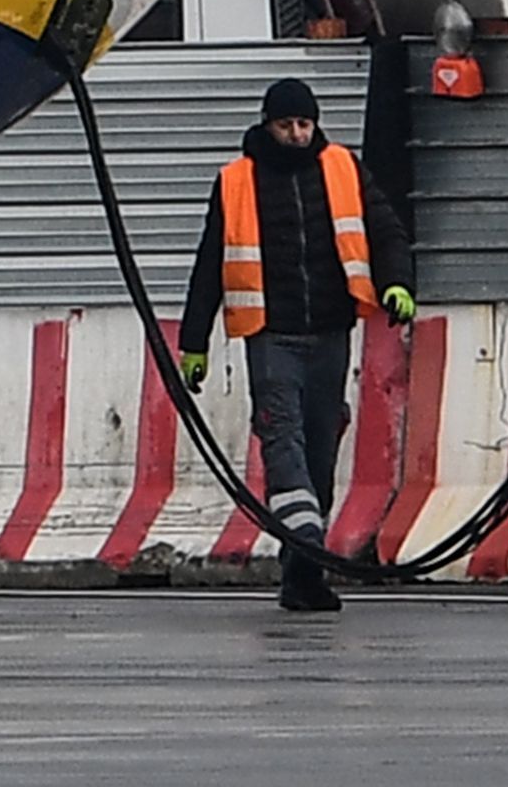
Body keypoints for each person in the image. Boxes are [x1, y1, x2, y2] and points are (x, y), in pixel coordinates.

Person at [177, 78, 415, 613]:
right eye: (286, 125)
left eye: (304, 124)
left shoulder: (343, 169)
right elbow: (209, 264)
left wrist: (398, 282)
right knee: (282, 439)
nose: (297, 134)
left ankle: (302, 573)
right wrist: (195, 343)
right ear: (268, 125)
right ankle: (308, 538)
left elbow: (387, 232)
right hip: (270, 333)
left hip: (331, 332)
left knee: (320, 449)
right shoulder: (237, 182)